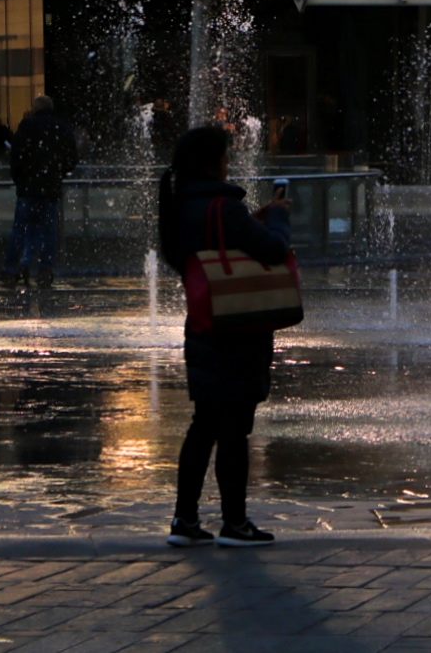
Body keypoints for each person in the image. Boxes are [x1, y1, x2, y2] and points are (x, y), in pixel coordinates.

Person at [160, 123, 292, 548]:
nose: (228, 163)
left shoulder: (180, 207)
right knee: (235, 427)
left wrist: (254, 220)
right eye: (225, 157)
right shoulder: (224, 207)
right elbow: (274, 250)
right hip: (238, 330)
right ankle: (234, 523)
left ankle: (184, 519)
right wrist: (279, 217)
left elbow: (215, 246)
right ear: (210, 164)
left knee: (204, 424)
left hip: (203, 326)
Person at [1, 95, 79, 288]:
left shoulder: (27, 126)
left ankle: (12, 270)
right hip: (50, 187)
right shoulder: (60, 127)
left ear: (35, 108)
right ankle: (45, 270)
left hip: (28, 187)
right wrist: (59, 173)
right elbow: (72, 157)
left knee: (20, 229)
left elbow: (17, 155)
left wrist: (20, 178)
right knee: (49, 231)